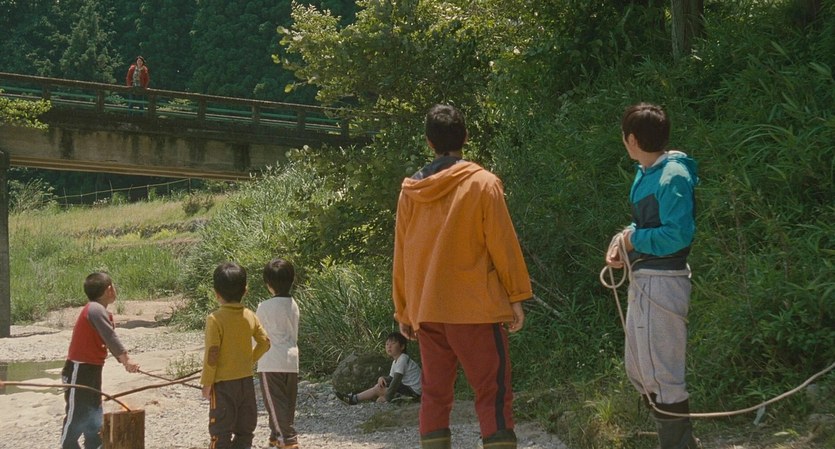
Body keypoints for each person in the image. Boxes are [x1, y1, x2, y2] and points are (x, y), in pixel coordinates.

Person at [392, 104, 533, 449]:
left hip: (428, 311)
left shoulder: (411, 192)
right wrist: (516, 295)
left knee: (435, 393)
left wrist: (404, 310)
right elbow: (503, 244)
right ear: (465, 137)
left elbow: (402, 254)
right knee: (492, 390)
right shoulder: (483, 184)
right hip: (476, 310)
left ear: (429, 142)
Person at [605, 103, 700, 449]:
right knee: (640, 371)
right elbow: (645, 223)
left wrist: (633, 240)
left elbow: (678, 234)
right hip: (644, 280)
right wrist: (623, 240)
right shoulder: (646, 171)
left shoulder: (673, 176)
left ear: (631, 139)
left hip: (665, 282)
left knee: (662, 375)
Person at [60, 272, 140, 449]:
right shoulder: (94, 309)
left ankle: (94, 445)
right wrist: (127, 360)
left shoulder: (98, 311)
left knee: (94, 409)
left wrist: (124, 361)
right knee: (77, 412)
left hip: (93, 368)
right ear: (109, 290)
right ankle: (67, 445)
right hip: (79, 369)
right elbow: (110, 337)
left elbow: (108, 339)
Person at [200, 262, 270, 449]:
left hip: (223, 386)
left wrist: (207, 383)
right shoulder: (250, 315)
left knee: (220, 433)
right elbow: (265, 342)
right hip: (246, 383)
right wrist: (248, 360)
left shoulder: (215, 319)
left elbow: (212, 355)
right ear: (245, 290)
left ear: (216, 293)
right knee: (245, 433)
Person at [256, 258, 301, 449]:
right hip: (291, 359)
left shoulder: (264, 307)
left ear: (268, 284)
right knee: (287, 403)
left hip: (270, 360)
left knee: (274, 402)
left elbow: (258, 335)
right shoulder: (294, 304)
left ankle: (287, 439)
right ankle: (276, 434)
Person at [336, 332, 422, 405]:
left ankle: (354, 399)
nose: (389, 346)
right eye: (387, 344)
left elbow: (396, 381)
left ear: (402, 346)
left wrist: (387, 397)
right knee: (379, 399)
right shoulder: (396, 361)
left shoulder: (403, 358)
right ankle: (354, 398)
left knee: (379, 390)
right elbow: (391, 378)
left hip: (414, 393)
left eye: (393, 343)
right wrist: (382, 378)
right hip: (408, 390)